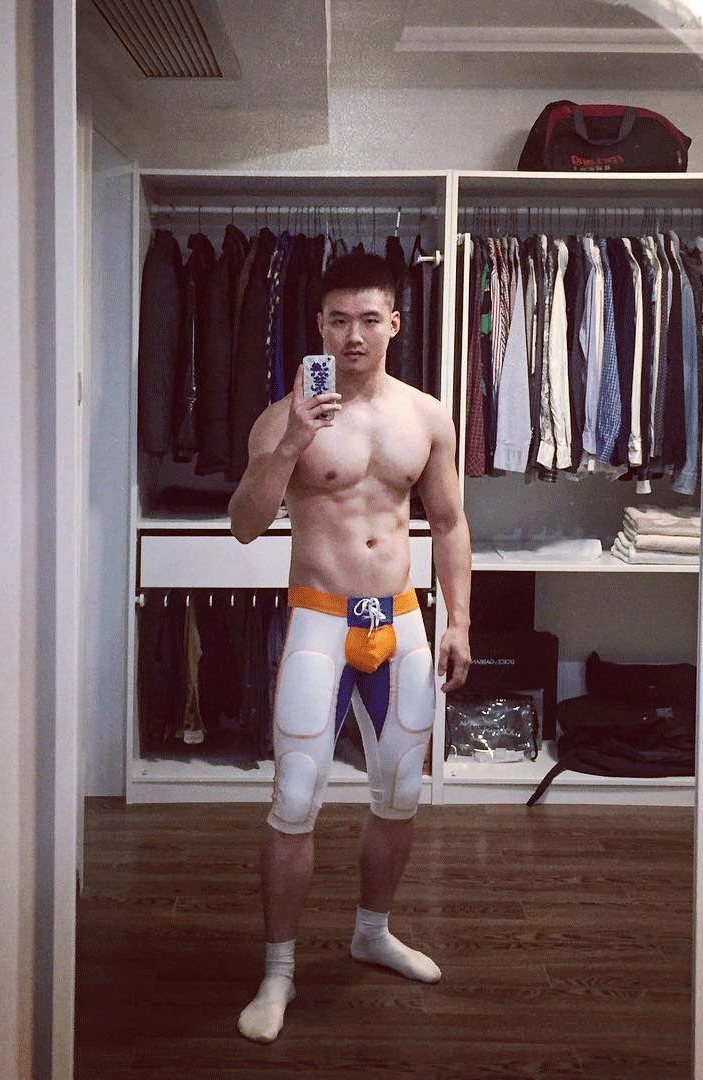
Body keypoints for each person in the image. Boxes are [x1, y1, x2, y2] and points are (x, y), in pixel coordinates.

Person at [228, 250, 472, 1043]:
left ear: (394, 323)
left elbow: (449, 523)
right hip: (320, 621)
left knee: (398, 795)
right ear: (320, 326)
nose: (354, 335)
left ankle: (372, 933)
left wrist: (459, 622)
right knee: (295, 800)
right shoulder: (284, 416)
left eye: (370, 319)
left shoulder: (426, 416)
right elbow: (245, 524)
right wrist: (291, 443)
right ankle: (278, 969)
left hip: (401, 622)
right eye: (338, 320)